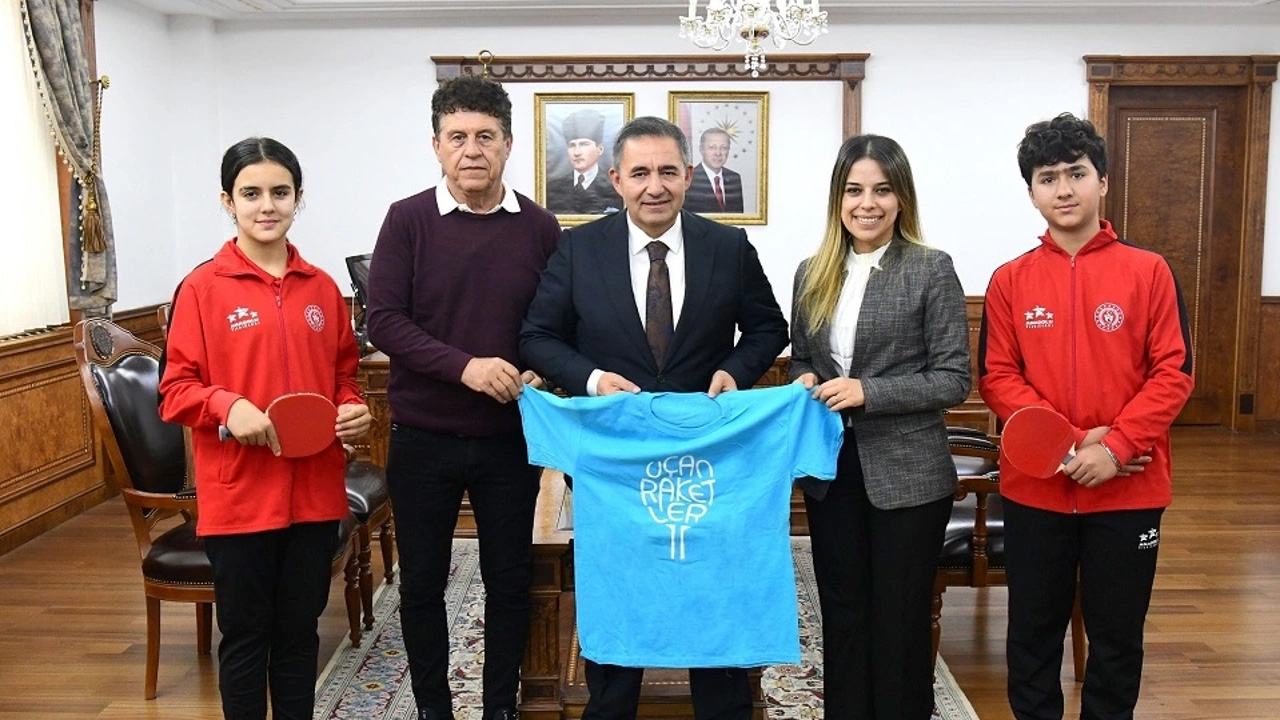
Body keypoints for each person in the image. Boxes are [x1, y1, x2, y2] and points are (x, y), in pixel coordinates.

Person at [520, 115, 789, 720]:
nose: (655, 186)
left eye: (668, 171)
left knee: (710, 584)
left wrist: (734, 371)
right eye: (639, 173)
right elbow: (537, 336)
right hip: (613, 465)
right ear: (616, 179)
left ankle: (723, 708)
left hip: (706, 462)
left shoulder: (728, 247)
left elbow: (768, 328)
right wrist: (593, 379)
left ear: (688, 175)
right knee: (620, 586)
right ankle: (611, 706)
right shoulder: (579, 248)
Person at [979, 113, 1194, 720]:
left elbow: (1173, 372)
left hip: (1129, 488)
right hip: (1037, 490)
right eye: (1048, 178)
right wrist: (1073, 445)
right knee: (1031, 637)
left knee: (1117, 640)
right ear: (1032, 193)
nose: (1064, 189)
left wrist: (1116, 447)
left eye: (1076, 173)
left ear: (1102, 181)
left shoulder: (1149, 271)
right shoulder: (1010, 280)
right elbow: (998, 377)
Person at [365, 75, 561, 720]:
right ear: (436, 146)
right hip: (423, 438)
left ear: (508, 144)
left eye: (485, 136)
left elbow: (556, 323)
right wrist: (465, 367)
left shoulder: (540, 227)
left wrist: (539, 370)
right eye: (457, 137)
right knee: (421, 586)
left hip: (510, 440)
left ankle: (499, 706)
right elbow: (384, 321)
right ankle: (433, 709)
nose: (471, 150)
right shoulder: (407, 219)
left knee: (510, 582)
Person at [158, 137, 373, 720]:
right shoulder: (202, 288)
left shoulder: (322, 288)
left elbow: (343, 377)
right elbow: (175, 391)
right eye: (250, 193)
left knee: (300, 634)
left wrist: (352, 406)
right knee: (247, 637)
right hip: (239, 498)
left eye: (280, 192)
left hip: (314, 494)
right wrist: (228, 406)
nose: (267, 205)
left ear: (298, 198)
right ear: (227, 201)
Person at [787, 134, 972, 720]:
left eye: (882, 190)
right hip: (831, 471)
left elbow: (953, 379)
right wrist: (803, 376)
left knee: (899, 619)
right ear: (837, 199)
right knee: (843, 615)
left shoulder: (930, 268)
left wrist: (870, 391)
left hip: (909, 476)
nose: (867, 204)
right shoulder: (811, 272)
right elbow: (802, 357)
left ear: (901, 198)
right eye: (854, 190)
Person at [545, 108, 623, 215]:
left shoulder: (616, 189)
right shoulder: (553, 188)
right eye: (572, 145)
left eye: (584, 144)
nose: (577, 152)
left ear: (600, 149)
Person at [685, 128, 744, 214]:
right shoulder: (689, 179)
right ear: (701, 149)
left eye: (723, 147)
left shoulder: (734, 178)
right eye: (712, 147)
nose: (718, 153)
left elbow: (739, 217)